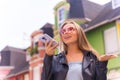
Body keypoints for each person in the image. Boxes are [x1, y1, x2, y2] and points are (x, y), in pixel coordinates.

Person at [41, 19, 117, 80]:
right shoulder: (56, 60)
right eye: (63, 31)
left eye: (71, 29)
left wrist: (102, 64)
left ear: (79, 33)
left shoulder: (91, 58)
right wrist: (48, 56)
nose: (66, 32)